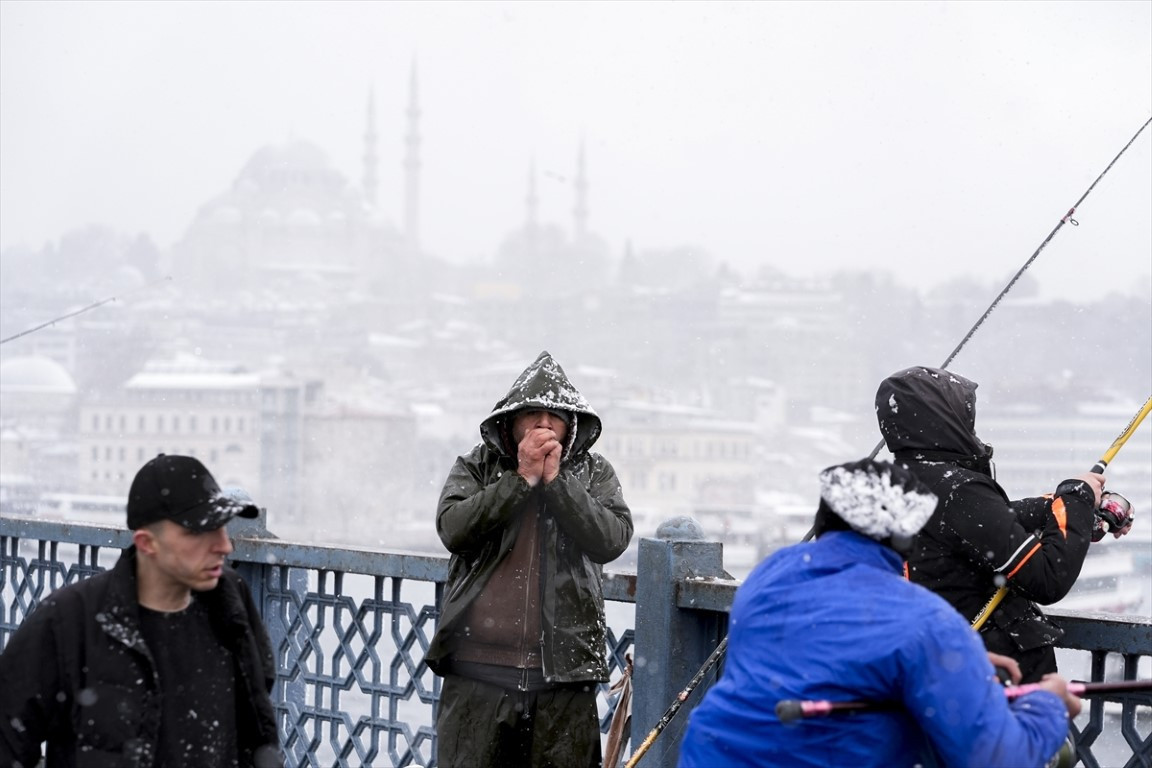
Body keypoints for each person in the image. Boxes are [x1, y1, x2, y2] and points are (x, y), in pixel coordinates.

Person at [678, 459, 1080, 768]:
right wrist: (1049, 705)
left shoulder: (770, 576)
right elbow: (993, 756)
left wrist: (956, 662)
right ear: (906, 534)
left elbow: (827, 654)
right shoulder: (927, 623)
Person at [0, 454, 283, 768]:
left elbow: (257, 728)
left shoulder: (231, 603)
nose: (224, 545)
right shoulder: (68, 619)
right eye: (199, 532)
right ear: (147, 543)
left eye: (222, 528)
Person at [426, 350, 634, 768]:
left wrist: (557, 483)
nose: (543, 425)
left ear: (570, 425)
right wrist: (519, 480)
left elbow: (612, 539)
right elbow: (452, 527)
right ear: (511, 421)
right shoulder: (477, 466)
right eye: (533, 415)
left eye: (554, 416)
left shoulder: (594, 473)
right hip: (477, 672)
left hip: (564, 676)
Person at [875, 366, 1132, 683]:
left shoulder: (899, 485)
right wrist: (1074, 502)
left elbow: (976, 528)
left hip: (935, 678)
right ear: (945, 420)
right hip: (995, 688)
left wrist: (1063, 506)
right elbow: (1048, 578)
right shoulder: (959, 491)